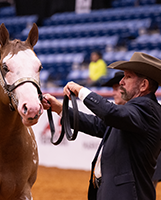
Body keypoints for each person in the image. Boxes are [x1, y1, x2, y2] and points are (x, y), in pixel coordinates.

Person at [42, 52, 161, 200]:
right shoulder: (135, 112)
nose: (122, 82)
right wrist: (60, 108)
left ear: (143, 85)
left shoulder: (147, 108)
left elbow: (110, 113)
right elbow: (98, 124)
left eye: (128, 77)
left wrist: (81, 91)